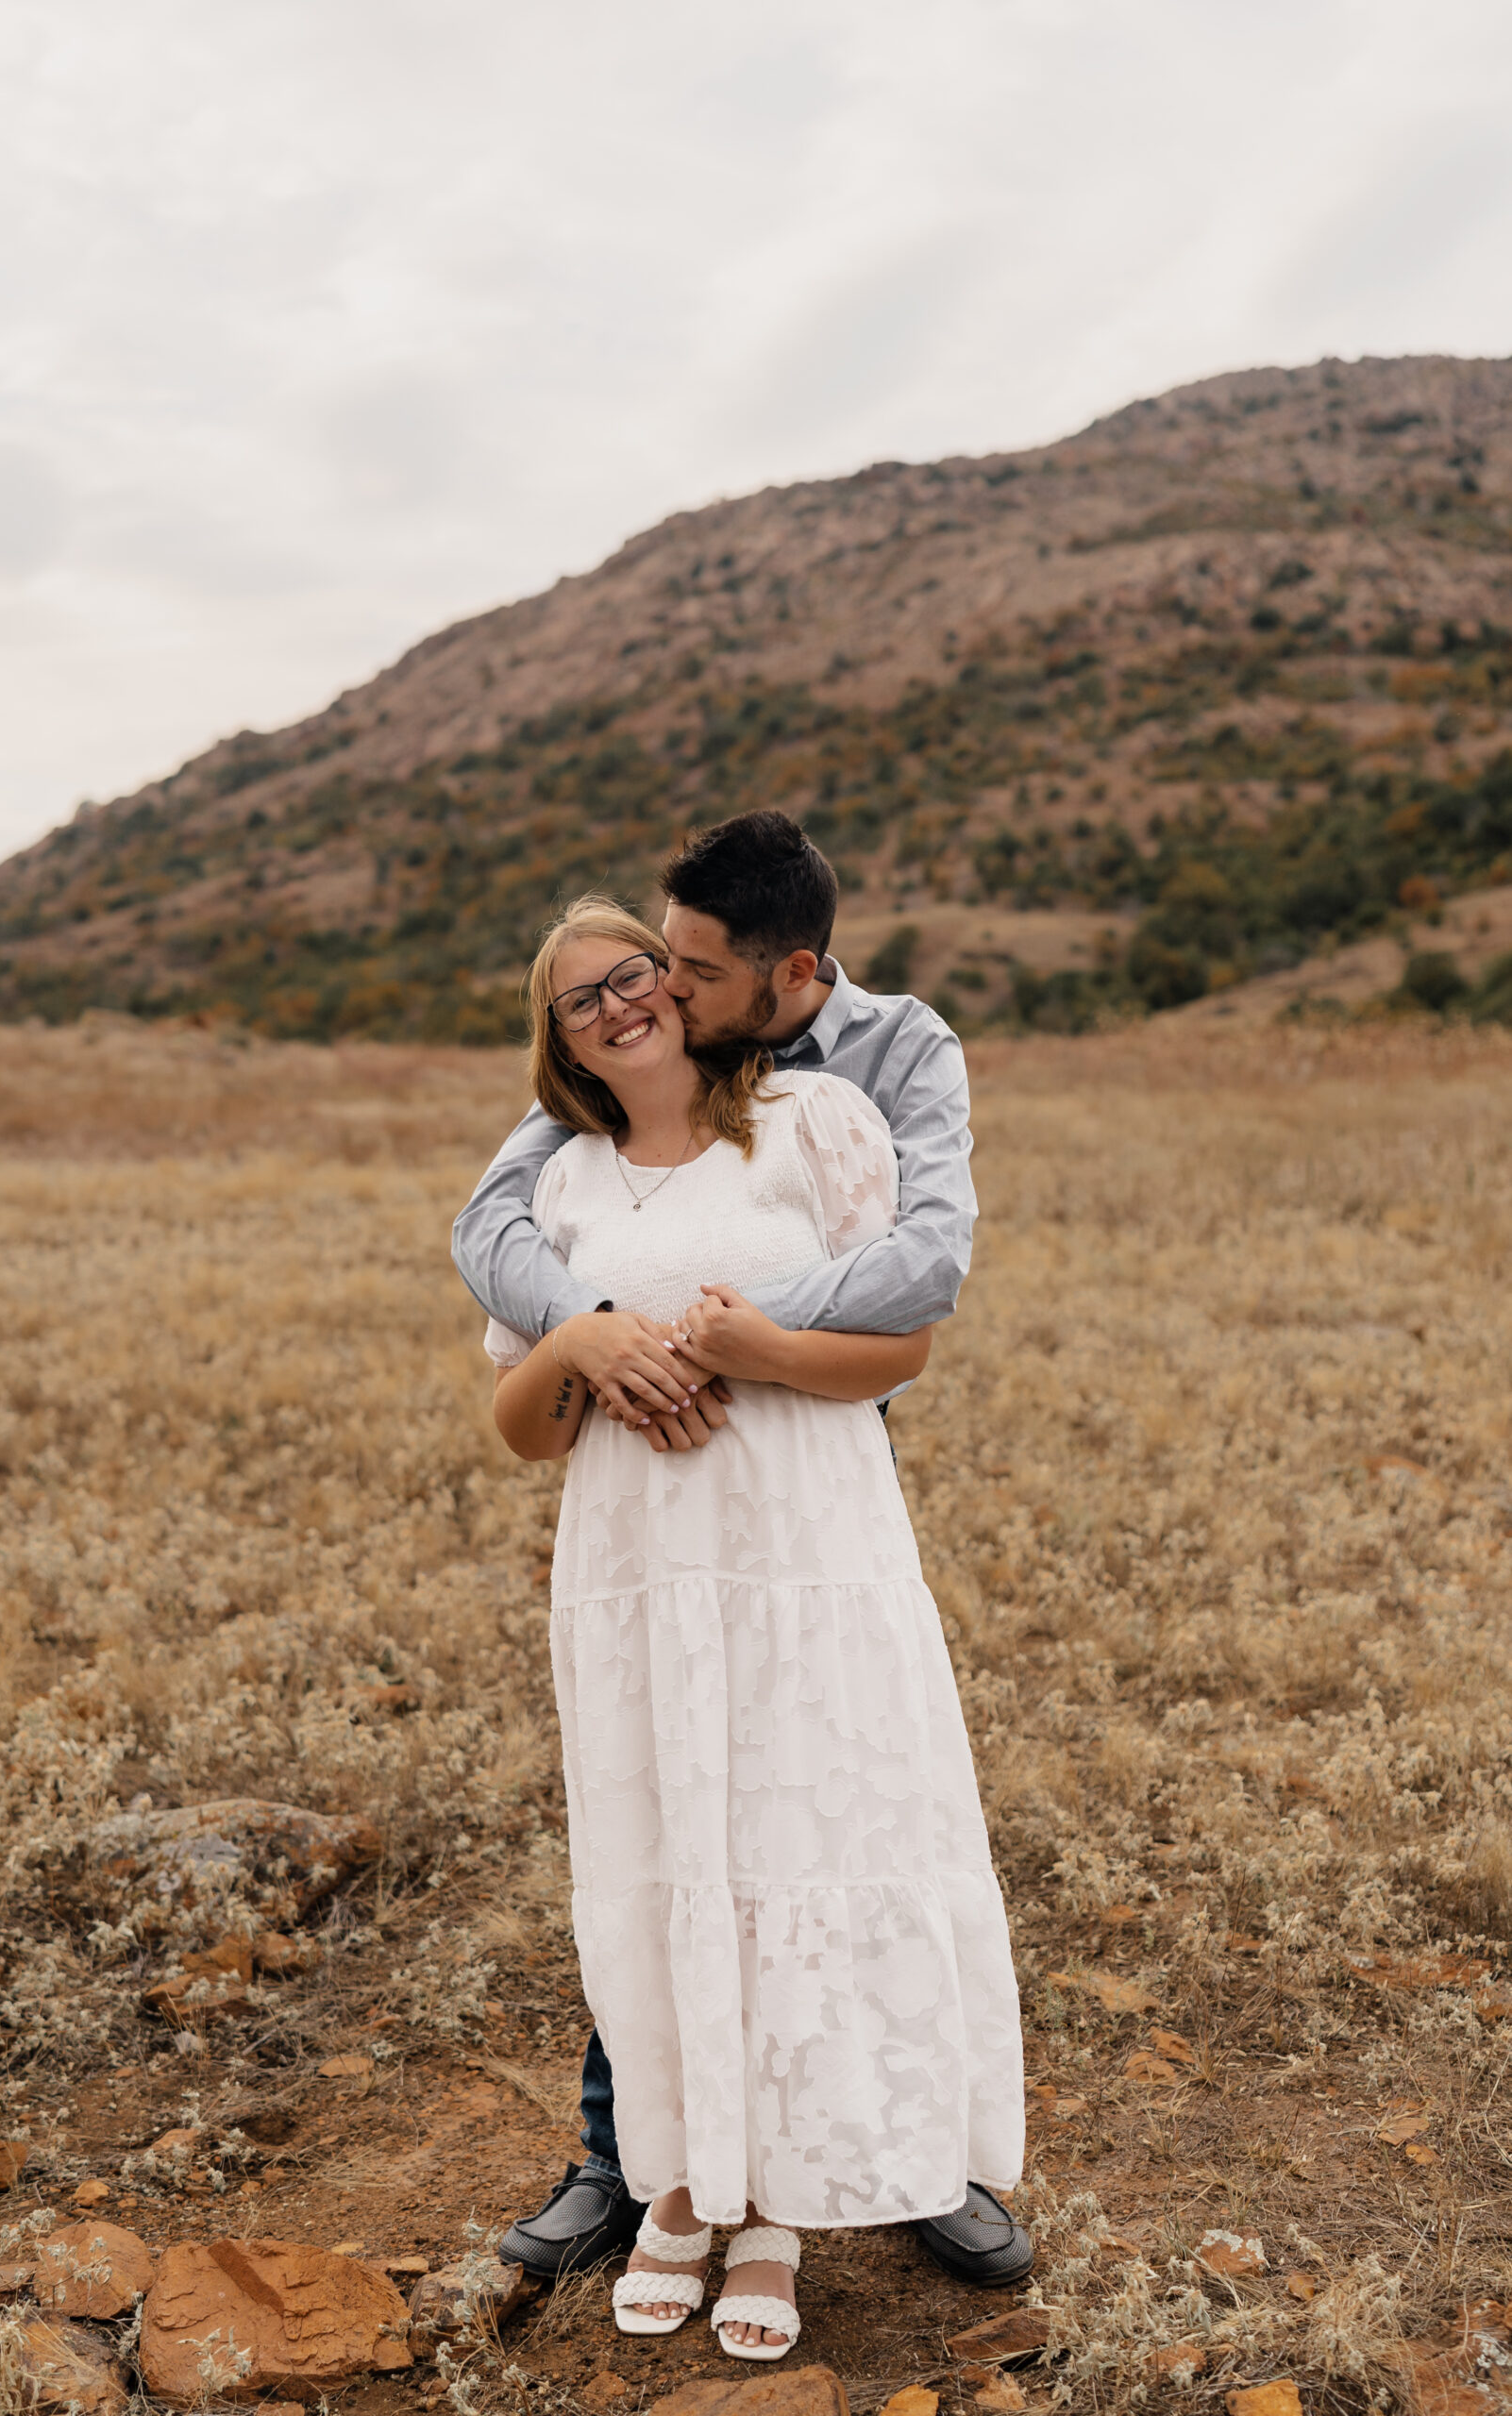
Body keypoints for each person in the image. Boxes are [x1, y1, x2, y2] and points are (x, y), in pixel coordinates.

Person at [452, 813, 1031, 2306]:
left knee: (831, 1811)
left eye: (680, 971)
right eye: (631, 972)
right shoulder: (572, 1145)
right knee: (675, 1826)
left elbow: (923, 1280)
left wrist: (759, 1339)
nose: (657, 994)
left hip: (807, 1503)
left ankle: (902, 2152)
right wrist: (584, 1333)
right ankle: (646, 2156)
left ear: (791, 977)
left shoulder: (883, 1070)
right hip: (643, 1547)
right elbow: (493, 1225)